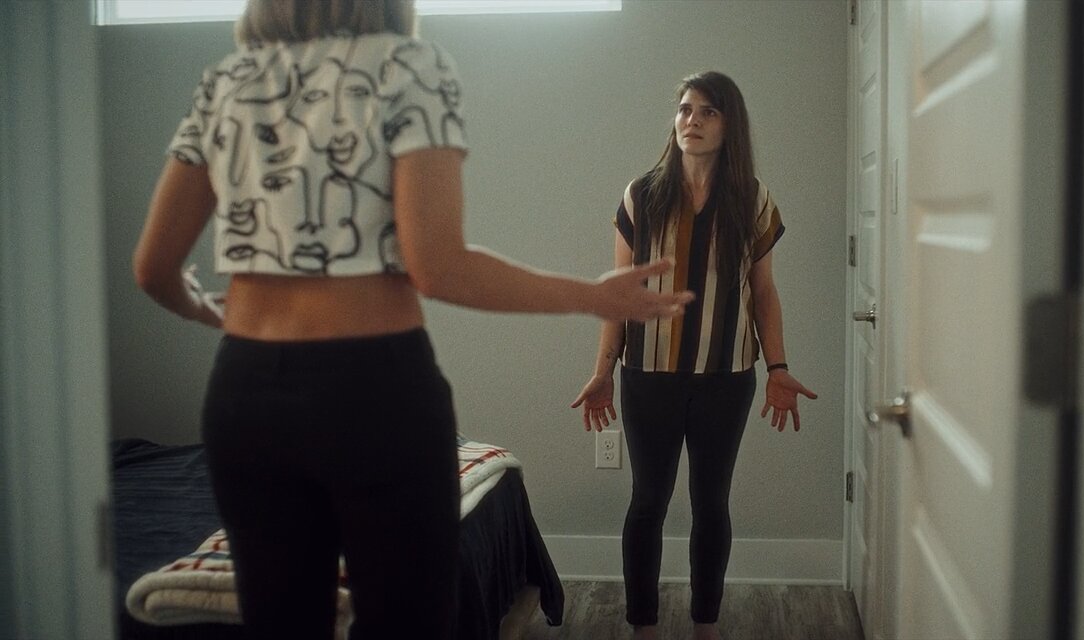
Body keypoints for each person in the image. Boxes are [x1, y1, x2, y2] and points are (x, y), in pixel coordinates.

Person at [132, 1, 692, 638]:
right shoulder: (408, 66)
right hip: (373, 388)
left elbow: (153, 268)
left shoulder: (227, 81)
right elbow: (439, 268)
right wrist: (590, 295)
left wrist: (211, 312)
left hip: (245, 388)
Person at [571, 71, 817, 640]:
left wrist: (778, 368)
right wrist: (602, 371)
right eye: (685, 109)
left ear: (730, 125)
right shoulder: (641, 196)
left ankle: (706, 625)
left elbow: (763, 292)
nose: (692, 121)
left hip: (726, 378)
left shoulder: (753, 200)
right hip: (648, 376)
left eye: (708, 111)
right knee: (647, 503)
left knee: (711, 504)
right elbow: (619, 294)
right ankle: (644, 627)